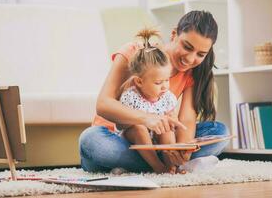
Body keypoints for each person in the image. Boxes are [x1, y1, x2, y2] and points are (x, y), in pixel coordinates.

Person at [79, 10, 229, 174]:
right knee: (90, 140)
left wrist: (181, 150)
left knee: (220, 133)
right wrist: (148, 119)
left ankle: (159, 164)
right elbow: (103, 104)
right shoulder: (135, 52)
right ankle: (161, 166)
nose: (190, 59)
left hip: (158, 143)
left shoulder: (191, 73)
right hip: (116, 138)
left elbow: (186, 120)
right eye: (187, 47)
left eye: (200, 54)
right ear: (173, 35)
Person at [117, 28, 180, 174]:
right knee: (139, 127)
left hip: (157, 139)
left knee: (168, 129)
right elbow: (120, 124)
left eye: (167, 80)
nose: (165, 86)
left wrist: (172, 120)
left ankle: (172, 165)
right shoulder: (130, 96)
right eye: (158, 83)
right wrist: (140, 121)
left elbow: (173, 117)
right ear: (139, 82)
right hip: (134, 140)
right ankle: (157, 165)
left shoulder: (167, 97)